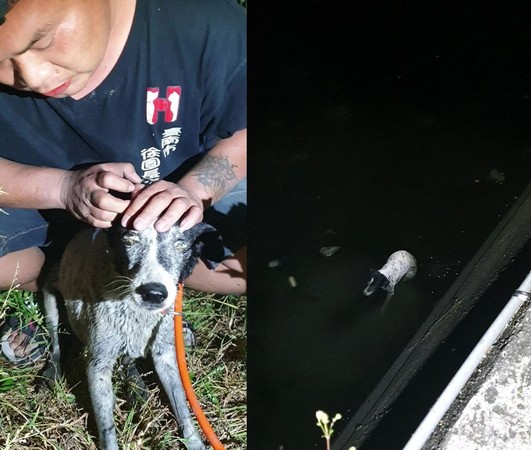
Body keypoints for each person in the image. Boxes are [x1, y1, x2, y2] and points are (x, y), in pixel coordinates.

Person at [0, 0, 246, 365]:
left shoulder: (206, 25)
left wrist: (195, 190)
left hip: (177, 195)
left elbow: (243, 133)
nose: (33, 77)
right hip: (39, 205)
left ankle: (144, 267)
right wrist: (62, 188)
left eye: (43, 39)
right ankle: (65, 271)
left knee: (255, 265)